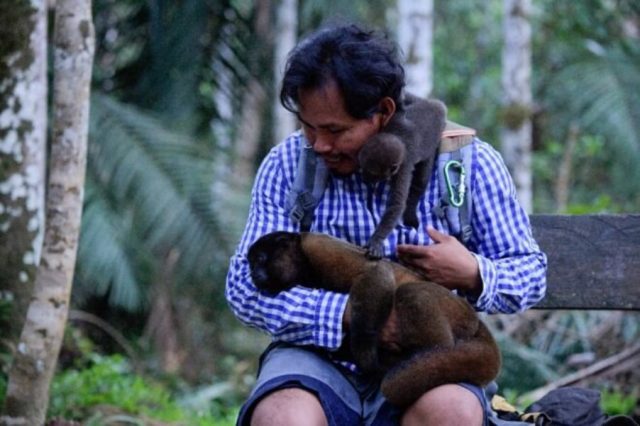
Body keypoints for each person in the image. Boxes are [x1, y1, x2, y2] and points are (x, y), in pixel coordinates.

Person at [226, 23, 547, 426]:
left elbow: (530, 273)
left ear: (384, 113)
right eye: (308, 127)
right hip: (315, 356)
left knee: (452, 412)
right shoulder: (289, 165)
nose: (318, 144)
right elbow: (243, 288)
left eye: (335, 130)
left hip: (423, 358)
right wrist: (353, 314)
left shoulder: (465, 164)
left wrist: (473, 273)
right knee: (282, 417)